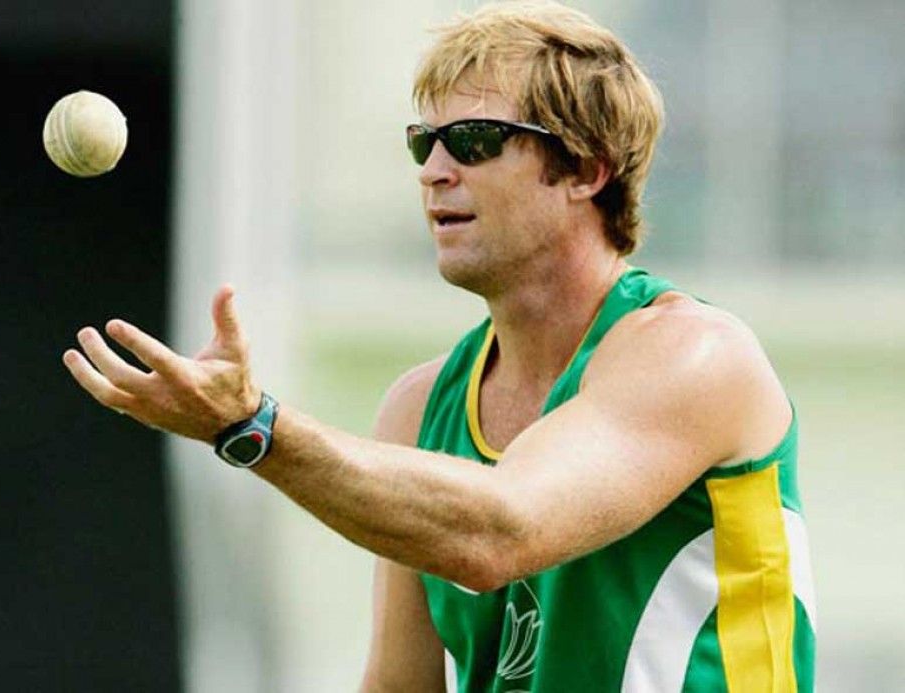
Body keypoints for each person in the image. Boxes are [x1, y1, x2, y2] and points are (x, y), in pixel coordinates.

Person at [62, 2, 816, 690]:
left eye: (475, 141)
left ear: (587, 170)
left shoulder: (695, 357)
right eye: (423, 143)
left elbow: (502, 530)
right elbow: (400, 685)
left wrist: (251, 427)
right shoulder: (421, 408)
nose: (433, 172)